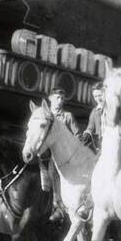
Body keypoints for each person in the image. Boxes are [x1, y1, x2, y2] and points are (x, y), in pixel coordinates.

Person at [40, 87, 81, 222]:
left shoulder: (67, 116)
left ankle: (58, 205)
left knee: (55, 172)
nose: (60, 101)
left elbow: (77, 135)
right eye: (57, 98)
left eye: (62, 98)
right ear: (50, 98)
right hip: (44, 152)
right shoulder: (44, 114)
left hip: (61, 155)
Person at [82, 82, 105, 151]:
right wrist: (87, 133)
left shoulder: (113, 109)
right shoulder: (94, 112)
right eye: (95, 96)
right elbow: (90, 126)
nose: (98, 99)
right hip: (100, 144)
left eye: (100, 95)